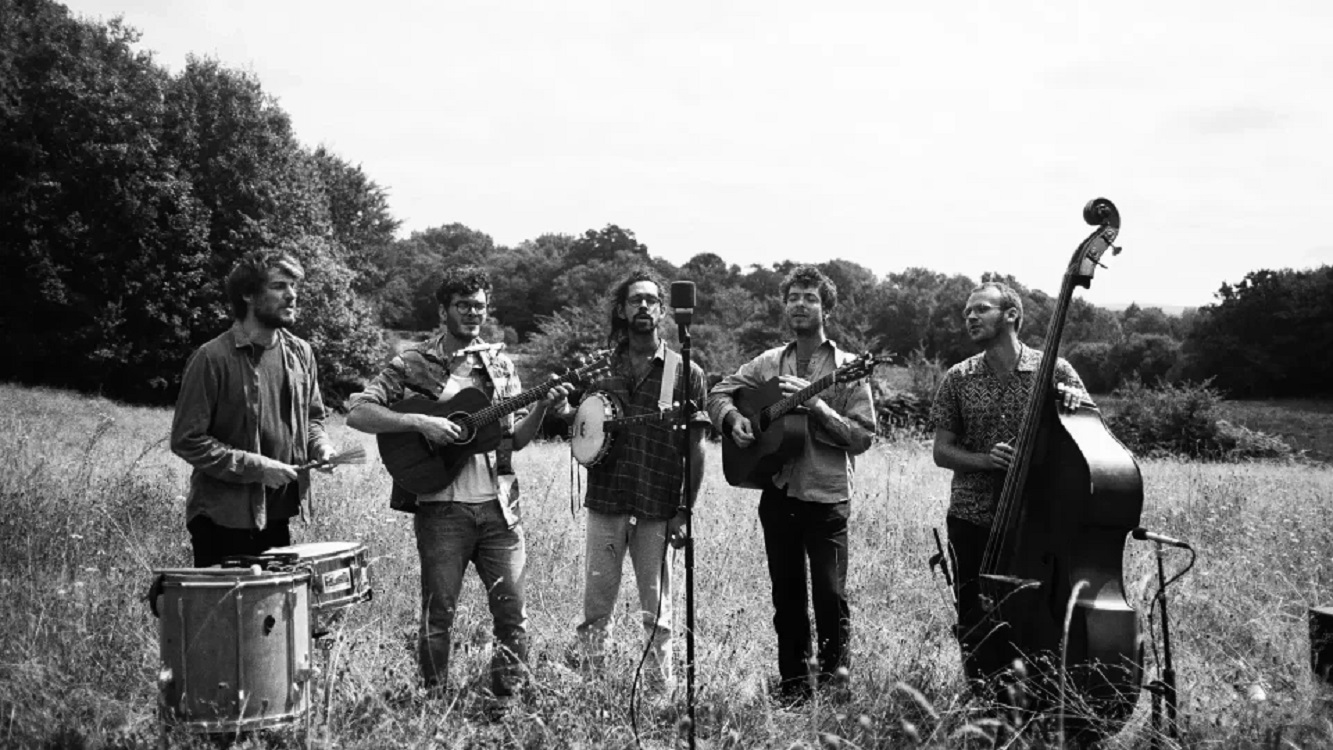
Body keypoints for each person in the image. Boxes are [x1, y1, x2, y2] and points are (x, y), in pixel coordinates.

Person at [345, 266, 571, 712]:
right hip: (441, 507)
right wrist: (419, 421)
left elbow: (515, 441)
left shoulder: (502, 364)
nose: (473, 313)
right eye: (463, 305)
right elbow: (359, 413)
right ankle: (433, 703)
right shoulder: (412, 363)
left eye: (480, 306)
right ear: (443, 309)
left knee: (512, 614)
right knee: (437, 616)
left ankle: (503, 703)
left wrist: (543, 405)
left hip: (499, 508)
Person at [706, 265, 876, 704]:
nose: (800, 304)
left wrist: (819, 409)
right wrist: (734, 420)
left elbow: (862, 438)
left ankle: (838, 691)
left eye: (810, 298)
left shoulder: (847, 367)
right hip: (778, 493)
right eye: (794, 297)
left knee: (831, 598)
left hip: (827, 498)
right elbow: (718, 392)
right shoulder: (769, 362)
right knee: (787, 599)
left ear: (827, 308)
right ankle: (794, 690)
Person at [928, 281, 1089, 684]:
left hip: (1036, 521)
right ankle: (982, 698)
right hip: (972, 517)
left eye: (980, 309)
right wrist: (984, 460)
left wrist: (1076, 405)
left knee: (1034, 612)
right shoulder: (958, 378)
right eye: (967, 312)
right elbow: (941, 451)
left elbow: (1089, 433)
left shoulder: (1056, 370)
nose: (970, 317)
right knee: (974, 615)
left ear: (1011, 315)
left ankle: (1035, 694)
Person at [563, 268, 709, 698]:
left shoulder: (685, 371)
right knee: (595, 609)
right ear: (622, 311)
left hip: (657, 506)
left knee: (658, 614)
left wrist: (686, 509)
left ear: (664, 311)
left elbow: (696, 448)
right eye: (634, 301)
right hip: (606, 502)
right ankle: (591, 693)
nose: (642, 307)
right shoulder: (601, 367)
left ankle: (659, 697)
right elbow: (584, 427)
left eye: (650, 300)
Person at [170, 250, 335, 568]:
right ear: (247, 294)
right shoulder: (212, 358)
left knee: (273, 615)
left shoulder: (301, 353)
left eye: (293, 286)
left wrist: (321, 446)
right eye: (279, 286)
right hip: (223, 519)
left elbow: (313, 417)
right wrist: (257, 468)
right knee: (226, 617)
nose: (292, 295)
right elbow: (187, 439)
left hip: (277, 514)